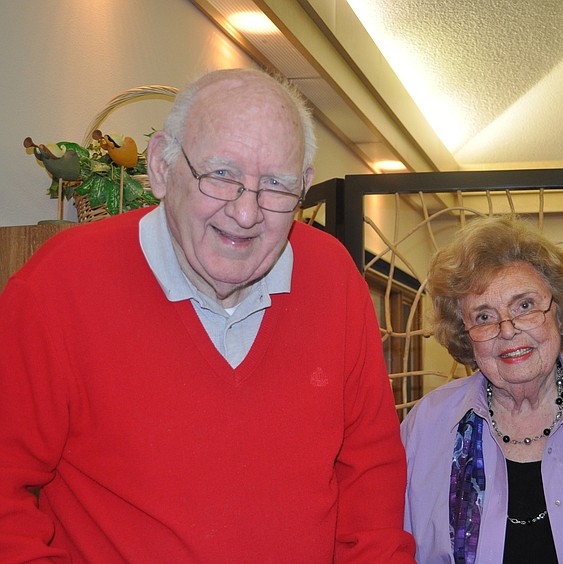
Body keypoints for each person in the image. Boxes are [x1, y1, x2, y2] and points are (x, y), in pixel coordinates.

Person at [0, 68, 415, 562]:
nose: (246, 213)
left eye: (276, 185)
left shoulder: (332, 276)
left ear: (303, 189)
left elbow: (370, 473)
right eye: (222, 175)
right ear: (160, 166)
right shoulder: (59, 283)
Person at [402, 215, 563, 563]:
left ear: (558, 311)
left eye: (524, 306)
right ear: (464, 333)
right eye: (483, 316)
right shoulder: (426, 426)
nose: (507, 330)